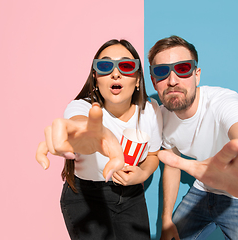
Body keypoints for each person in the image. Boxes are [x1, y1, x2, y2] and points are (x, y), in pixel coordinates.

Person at [148, 36, 238, 240]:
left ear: (196, 75)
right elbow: (173, 163)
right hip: (202, 191)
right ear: (153, 80)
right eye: (162, 72)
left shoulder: (222, 102)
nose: (172, 80)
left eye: (182, 69)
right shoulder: (161, 115)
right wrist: (166, 218)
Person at [36, 39, 163, 240]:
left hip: (132, 197)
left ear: (138, 79)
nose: (115, 73)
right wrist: (87, 134)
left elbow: (154, 154)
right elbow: (80, 124)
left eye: (126, 66)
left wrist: (143, 174)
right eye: (105, 66)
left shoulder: (151, 112)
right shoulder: (82, 108)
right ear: (95, 78)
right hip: (87, 196)